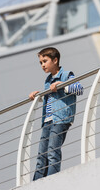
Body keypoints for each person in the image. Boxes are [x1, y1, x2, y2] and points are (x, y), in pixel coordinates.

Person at [29, 47, 83, 180]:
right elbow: (51, 100)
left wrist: (63, 85)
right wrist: (39, 96)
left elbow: (79, 89)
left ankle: (52, 180)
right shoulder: (48, 81)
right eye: (41, 62)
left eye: (45, 61)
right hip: (47, 120)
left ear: (55, 60)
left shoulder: (67, 75)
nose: (42, 65)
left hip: (61, 119)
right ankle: (36, 183)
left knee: (53, 150)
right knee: (42, 153)